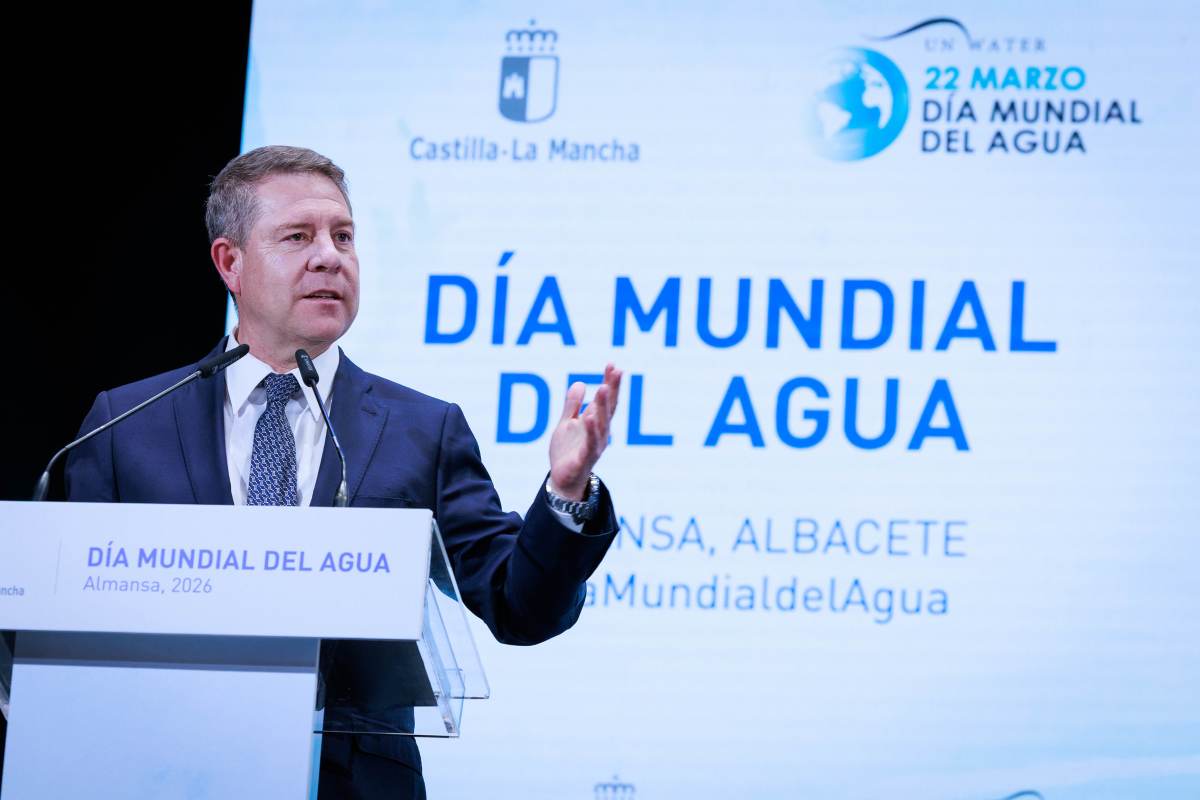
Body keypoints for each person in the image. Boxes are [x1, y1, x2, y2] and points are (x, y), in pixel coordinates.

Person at [65, 145, 623, 799]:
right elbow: (53, 619)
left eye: (344, 236)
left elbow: (518, 606)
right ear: (230, 262)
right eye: (298, 236)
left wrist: (564, 492)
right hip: (156, 773)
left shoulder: (422, 429)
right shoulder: (125, 425)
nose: (329, 256)